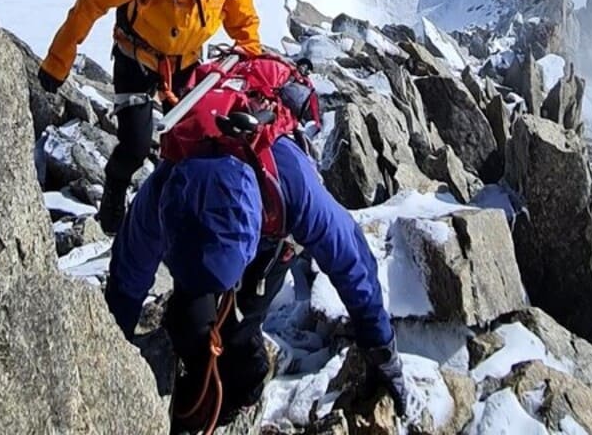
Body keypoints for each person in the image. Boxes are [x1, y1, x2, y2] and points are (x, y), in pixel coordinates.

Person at [104, 135, 409, 432]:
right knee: (186, 325)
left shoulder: (294, 187)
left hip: (269, 245)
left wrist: (381, 348)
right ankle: (197, 397)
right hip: (225, 237)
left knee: (239, 335)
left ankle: (242, 392)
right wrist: (106, 353)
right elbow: (126, 281)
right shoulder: (163, 191)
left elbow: (353, 265)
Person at [38, 0, 264, 232]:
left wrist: (251, 54)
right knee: (136, 144)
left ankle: (173, 204)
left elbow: (243, 21)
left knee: (195, 137)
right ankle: (115, 189)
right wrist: (59, 60)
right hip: (137, 57)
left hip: (185, 61)